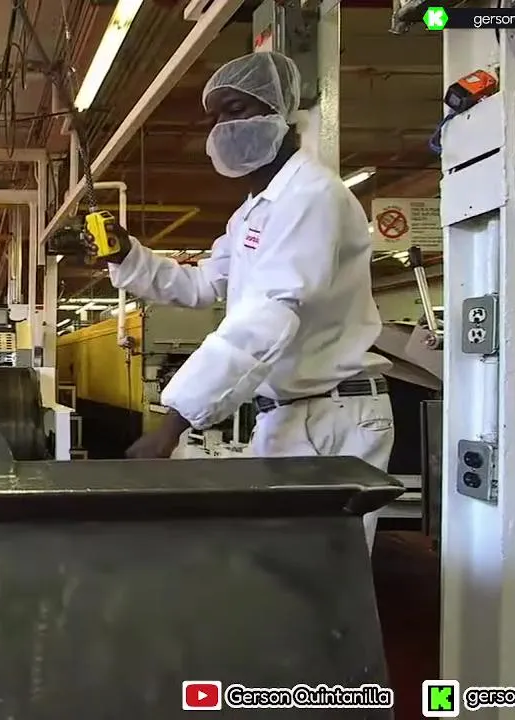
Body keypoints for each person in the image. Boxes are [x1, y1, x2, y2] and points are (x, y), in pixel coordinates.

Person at [55, 51, 394, 550]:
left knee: (319, 575)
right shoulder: (254, 212)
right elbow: (202, 284)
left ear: (281, 114)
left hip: (331, 419)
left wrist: (172, 424)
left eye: (235, 110)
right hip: (289, 414)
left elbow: (268, 316)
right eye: (214, 117)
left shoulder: (311, 197)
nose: (221, 128)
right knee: (277, 569)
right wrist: (129, 255)